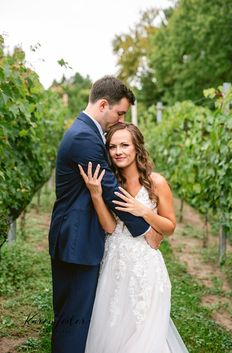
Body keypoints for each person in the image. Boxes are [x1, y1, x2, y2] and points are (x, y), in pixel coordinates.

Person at [48, 76, 163, 353]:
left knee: (76, 315)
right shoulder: (85, 137)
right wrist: (146, 229)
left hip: (79, 237)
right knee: (73, 320)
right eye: (119, 112)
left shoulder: (85, 131)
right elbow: (111, 189)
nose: (120, 119)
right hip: (77, 241)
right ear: (103, 104)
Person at [79, 123, 189, 353]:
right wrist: (97, 195)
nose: (118, 151)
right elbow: (110, 227)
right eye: (112, 146)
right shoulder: (112, 183)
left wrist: (144, 211)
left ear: (137, 147)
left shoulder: (156, 182)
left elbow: (169, 227)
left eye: (124, 145)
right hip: (114, 264)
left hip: (145, 267)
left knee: (142, 334)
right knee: (112, 327)